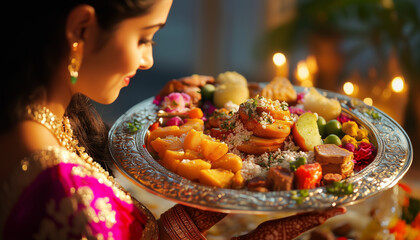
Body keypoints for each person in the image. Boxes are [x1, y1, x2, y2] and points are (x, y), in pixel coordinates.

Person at [0, 0, 345, 239]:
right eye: (143, 37)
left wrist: (188, 221)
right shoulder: (63, 190)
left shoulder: (44, 124)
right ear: (82, 28)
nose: (149, 59)